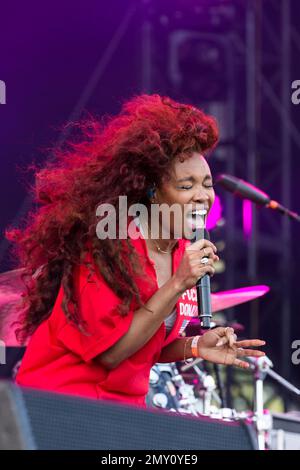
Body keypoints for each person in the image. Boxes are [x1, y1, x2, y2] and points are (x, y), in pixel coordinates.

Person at [9, 94, 265, 407]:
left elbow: (147, 345)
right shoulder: (106, 248)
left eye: (207, 184)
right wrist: (177, 284)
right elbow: (112, 353)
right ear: (152, 193)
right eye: (186, 186)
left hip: (125, 410)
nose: (203, 196)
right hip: (62, 404)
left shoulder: (181, 252)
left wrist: (196, 345)